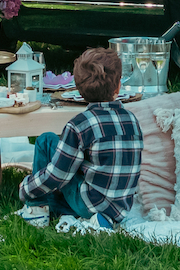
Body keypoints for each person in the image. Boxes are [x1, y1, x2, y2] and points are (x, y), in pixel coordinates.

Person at [18, 46, 143, 232]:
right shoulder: (132, 119)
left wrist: (27, 187)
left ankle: (37, 207)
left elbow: (57, 175)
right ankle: (100, 219)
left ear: (77, 89)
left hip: (89, 202)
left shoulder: (79, 125)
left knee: (46, 140)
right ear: (118, 85)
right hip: (119, 208)